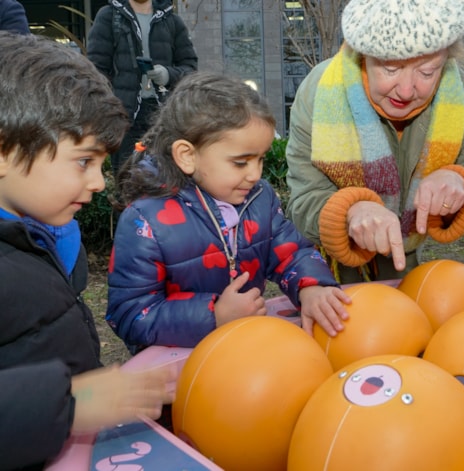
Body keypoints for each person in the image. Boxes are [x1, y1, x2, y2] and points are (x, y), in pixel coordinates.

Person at [0, 32, 172, 470]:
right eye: (83, 161)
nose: (99, 182)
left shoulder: (47, 235)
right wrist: (70, 403)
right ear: (4, 151)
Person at [107, 72, 351, 352]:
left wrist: (311, 287)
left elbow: (292, 253)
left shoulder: (260, 198)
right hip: (183, 372)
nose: (255, 174)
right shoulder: (146, 221)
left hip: (243, 353)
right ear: (187, 155)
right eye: (240, 163)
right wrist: (214, 316)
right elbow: (129, 314)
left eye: (260, 159)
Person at [285, 0, 464, 284]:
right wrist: (349, 212)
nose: (407, 91)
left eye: (427, 72)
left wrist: (460, 185)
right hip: (324, 268)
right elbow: (302, 201)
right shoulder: (318, 94)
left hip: (403, 265)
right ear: (364, 56)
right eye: (390, 68)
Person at [87, 0, 198, 187]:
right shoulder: (109, 16)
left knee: (167, 183)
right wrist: (107, 110)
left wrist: (167, 74)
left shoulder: (171, 20)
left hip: (163, 118)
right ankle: (129, 216)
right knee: (127, 184)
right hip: (123, 117)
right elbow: (96, 72)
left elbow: (190, 68)